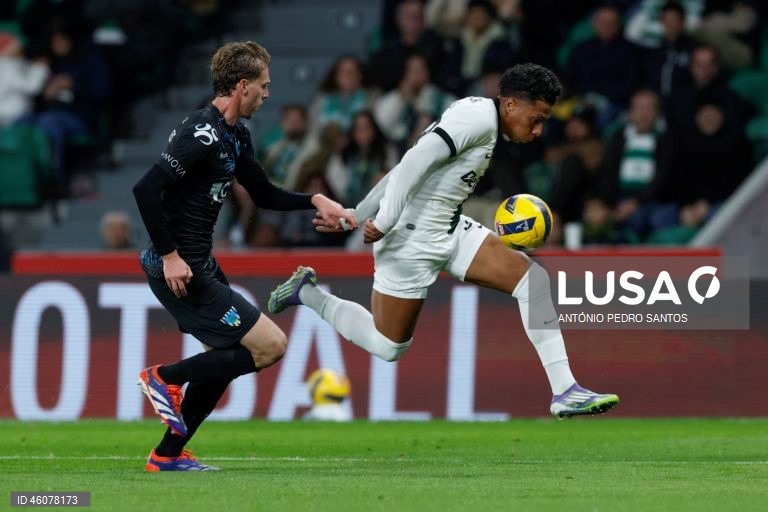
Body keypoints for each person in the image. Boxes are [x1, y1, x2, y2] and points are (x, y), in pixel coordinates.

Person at [268, 64, 619, 419]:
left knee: (534, 281)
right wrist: (384, 219)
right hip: (409, 239)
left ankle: (565, 391)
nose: (539, 129)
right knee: (388, 346)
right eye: (536, 118)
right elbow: (413, 161)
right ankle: (307, 293)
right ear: (511, 104)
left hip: (449, 228)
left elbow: (408, 164)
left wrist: (358, 212)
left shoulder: (482, 118)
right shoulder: (476, 119)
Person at [132, 41, 357, 472]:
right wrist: (170, 255)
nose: (267, 94)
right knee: (271, 345)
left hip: (200, 263)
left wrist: (314, 199)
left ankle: (167, 454)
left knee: (221, 363)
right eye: (263, 85)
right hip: (181, 268)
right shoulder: (202, 132)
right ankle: (163, 378)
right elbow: (145, 189)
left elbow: (264, 194)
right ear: (241, 86)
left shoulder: (235, 136)